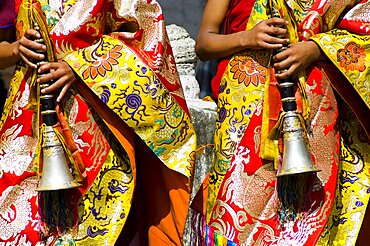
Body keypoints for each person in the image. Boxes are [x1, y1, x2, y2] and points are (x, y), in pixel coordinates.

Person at [0, 0, 197, 245]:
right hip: (28, 123)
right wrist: (16, 49)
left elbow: (146, 35)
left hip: (95, 123)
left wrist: (80, 66)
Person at [191, 0, 370, 245]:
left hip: (314, 112)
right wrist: (249, 37)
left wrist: (316, 48)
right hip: (243, 111)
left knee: (306, 217)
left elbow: (363, 30)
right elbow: (204, 43)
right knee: (236, 211)